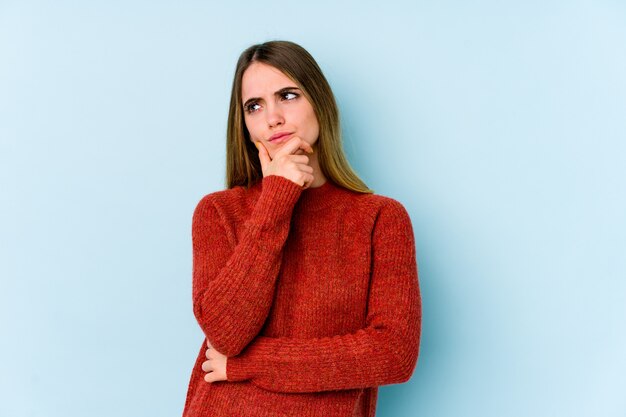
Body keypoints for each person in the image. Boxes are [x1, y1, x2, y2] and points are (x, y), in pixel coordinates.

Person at [182, 40, 422, 417]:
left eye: (288, 95)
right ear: (244, 126)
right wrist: (276, 197)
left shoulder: (380, 219)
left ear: (320, 104)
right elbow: (226, 334)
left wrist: (248, 364)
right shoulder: (218, 212)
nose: (272, 117)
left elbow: (393, 354)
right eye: (254, 106)